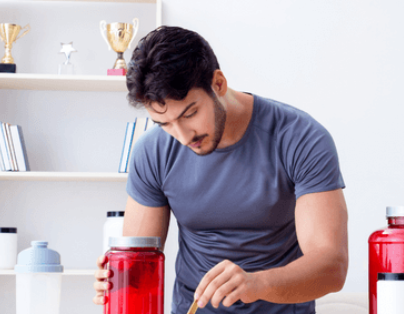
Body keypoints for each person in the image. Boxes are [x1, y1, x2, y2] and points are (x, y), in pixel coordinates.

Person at [93, 25, 348, 314]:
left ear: (218, 83)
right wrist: (120, 279)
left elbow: (331, 267)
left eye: (190, 114)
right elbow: (138, 263)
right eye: (164, 124)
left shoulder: (300, 138)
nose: (182, 135)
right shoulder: (152, 151)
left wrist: (256, 284)